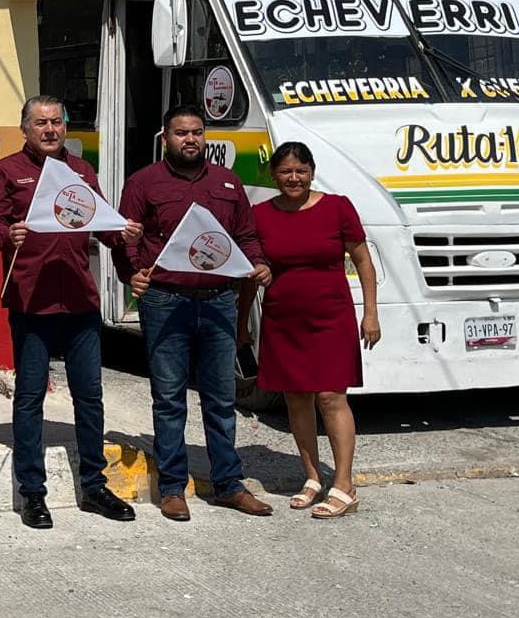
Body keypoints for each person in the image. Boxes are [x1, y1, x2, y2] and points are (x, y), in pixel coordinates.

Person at [0, 96, 143, 530]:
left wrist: (124, 232)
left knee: (89, 397)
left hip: (79, 301)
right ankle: (32, 492)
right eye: (41, 123)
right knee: (30, 397)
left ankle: (94, 486)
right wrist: (7, 232)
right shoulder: (8, 171)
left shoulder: (82, 171)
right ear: (25, 129)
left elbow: (103, 224)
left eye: (56, 122)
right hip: (31, 301)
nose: (50, 129)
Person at [115, 103, 273, 521]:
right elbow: (124, 237)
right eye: (181, 133)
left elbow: (245, 234)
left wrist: (258, 262)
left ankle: (228, 485)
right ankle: (172, 488)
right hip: (165, 301)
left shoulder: (227, 182)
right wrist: (132, 274)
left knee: (221, 399)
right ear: (165, 138)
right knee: (169, 399)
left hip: (219, 300)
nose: (190, 139)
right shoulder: (143, 182)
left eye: (197, 132)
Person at [241, 141, 379, 520]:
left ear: (312, 173)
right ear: (273, 175)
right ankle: (313, 478)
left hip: (331, 318)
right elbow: (250, 275)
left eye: (301, 171)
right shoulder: (260, 215)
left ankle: (345, 485)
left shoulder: (338, 207)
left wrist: (371, 314)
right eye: (286, 171)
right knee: (296, 398)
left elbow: (364, 262)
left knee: (331, 397)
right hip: (283, 319)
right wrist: (241, 325)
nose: (294, 178)